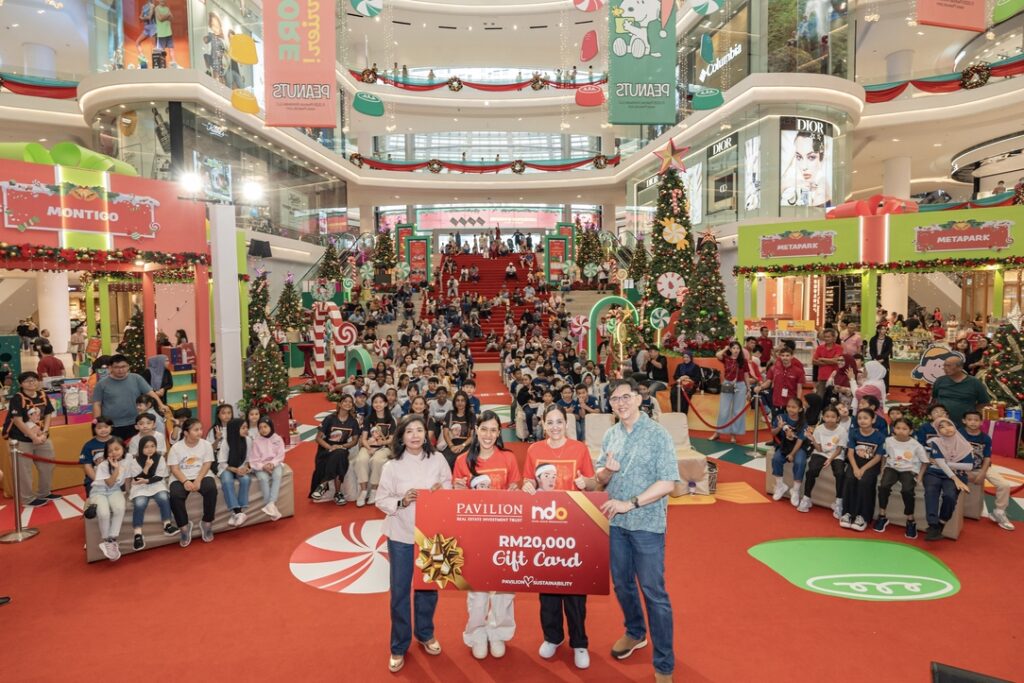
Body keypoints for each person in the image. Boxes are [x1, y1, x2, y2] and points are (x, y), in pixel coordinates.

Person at [581, 378, 679, 683]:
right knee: (622, 585)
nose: (620, 403)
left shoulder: (658, 435)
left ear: (638, 398)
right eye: (614, 399)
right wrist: (607, 472)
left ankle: (664, 664)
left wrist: (630, 503)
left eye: (625, 397)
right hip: (615, 525)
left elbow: (668, 482)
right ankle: (635, 632)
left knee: (654, 592)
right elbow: (600, 480)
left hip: (647, 525)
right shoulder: (611, 435)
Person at [375, 415, 451, 673]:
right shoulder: (392, 466)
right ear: (401, 436)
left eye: (420, 430)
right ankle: (398, 645)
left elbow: (450, 486)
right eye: (409, 431)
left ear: (426, 434)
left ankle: (425, 633)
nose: (415, 435)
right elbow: (381, 499)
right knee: (399, 591)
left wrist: (443, 490)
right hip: (401, 535)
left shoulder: (438, 459)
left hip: (432, 536)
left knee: (428, 588)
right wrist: (402, 501)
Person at [521, 405, 594, 669]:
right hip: (544, 530)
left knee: (575, 592)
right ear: (543, 424)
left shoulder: (579, 449)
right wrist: (527, 485)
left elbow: (593, 483)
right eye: (550, 422)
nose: (554, 427)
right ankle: (552, 637)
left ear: (566, 423)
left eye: (559, 422)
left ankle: (579, 642)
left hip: (574, 529)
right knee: (548, 590)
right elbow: (528, 481)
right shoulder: (534, 450)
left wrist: (587, 483)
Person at [452, 411, 521, 660]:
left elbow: (516, 489)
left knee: (504, 589)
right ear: (476, 431)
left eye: (493, 430)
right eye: (484, 429)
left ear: (499, 432)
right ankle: (476, 633)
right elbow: (455, 501)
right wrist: (457, 490)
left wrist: (515, 491)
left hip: (504, 534)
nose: (488, 435)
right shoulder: (462, 461)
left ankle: (499, 631)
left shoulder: (508, 458)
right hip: (475, 535)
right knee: (477, 590)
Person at [3, 371, 57, 507]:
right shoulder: (17, 398)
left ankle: (44, 492)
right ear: (21, 384)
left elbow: (48, 414)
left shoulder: (42, 395)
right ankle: (27, 499)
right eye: (27, 381)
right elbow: (17, 421)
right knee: (24, 470)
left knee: (48, 465)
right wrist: (33, 437)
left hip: (42, 436)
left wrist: (45, 432)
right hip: (21, 439)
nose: (31, 383)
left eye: (34, 380)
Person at [872, 417, 929, 538]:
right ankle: (882, 516)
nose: (901, 431)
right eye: (898, 428)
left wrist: (920, 476)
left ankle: (910, 520)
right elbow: (884, 456)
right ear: (893, 429)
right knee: (883, 486)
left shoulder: (916, 445)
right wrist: (882, 469)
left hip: (909, 469)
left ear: (911, 431)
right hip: (892, 467)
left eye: (904, 429)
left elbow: (925, 462)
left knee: (907, 490)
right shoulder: (888, 441)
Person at [167, 417, 218, 547]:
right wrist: (185, 482)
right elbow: (174, 469)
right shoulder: (176, 447)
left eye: (200, 429)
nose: (200, 432)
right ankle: (184, 527)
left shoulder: (206, 445)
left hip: (201, 475)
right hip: (181, 477)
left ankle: (207, 523)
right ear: (186, 433)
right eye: (196, 430)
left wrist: (198, 480)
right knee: (175, 495)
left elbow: (207, 464)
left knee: (211, 489)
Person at [960, 411, 1015, 531]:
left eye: (976, 420)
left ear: (981, 422)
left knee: (1004, 485)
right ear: (964, 421)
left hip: (982, 467)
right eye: (969, 419)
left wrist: (983, 473)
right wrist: (964, 471)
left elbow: (987, 458)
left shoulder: (985, 438)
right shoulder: (958, 434)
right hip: (963, 468)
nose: (973, 422)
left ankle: (999, 512)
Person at [92, 354, 166, 440]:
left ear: (128, 366)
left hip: (135, 423)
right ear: (110, 368)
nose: (120, 370)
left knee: (135, 446)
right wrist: (98, 422)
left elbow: (150, 392)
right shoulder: (101, 384)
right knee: (115, 448)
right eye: (116, 367)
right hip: (112, 425)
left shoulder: (136, 378)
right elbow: (97, 404)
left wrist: (161, 405)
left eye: (123, 366)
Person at [922, 416, 973, 541]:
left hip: (957, 475)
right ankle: (933, 526)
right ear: (938, 431)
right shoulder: (936, 442)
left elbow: (968, 466)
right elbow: (940, 463)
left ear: (954, 426)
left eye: (949, 425)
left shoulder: (964, 444)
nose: (947, 429)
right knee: (931, 491)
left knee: (950, 496)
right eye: (941, 427)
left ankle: (942, 522)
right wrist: (947, 467)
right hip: (934, 473)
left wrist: (946, 464)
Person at [126, 434, 177, 549]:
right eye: (146, 447)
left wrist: (147, 480)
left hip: (156, 484)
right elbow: (137, 479)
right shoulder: (134, 461)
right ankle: (138, 533)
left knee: (164, 497)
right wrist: (146, 467)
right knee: (140, 503)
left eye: (152, 446)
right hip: (140, 487)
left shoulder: (160, 458)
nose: (150, 449)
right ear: (140, 448)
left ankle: (167, 525)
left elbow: (159, 476)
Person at [840, 408, 886, 532]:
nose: (862, 421)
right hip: (855, 463)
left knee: (864, 482)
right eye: (860, 418)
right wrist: (855, 468)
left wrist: (863, 469)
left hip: (871, 465)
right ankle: (847, 513)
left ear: (873, 420)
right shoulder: (854, 433)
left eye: (866, 418)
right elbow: (850, 453)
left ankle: (862, 517)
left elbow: (878, 457)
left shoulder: (880, 437)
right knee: (849, 478)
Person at [311, 395, 361, 505]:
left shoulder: (353, 422)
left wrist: (343, 446)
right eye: (345, 401)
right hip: (326, 448)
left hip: (342, 448)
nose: (348, 403)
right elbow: (318, 438)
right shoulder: (330, 419)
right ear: (339, 403)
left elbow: (355, 441)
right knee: (340, 458)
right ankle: (338, 493)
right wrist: (330, 447)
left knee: (340, 455)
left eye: (350, 402)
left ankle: (324, 484)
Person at [802, 404, 848, 515]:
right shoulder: (819, 429)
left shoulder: (842, 431)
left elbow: (839, 449)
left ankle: (838, 502)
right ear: (823, 417)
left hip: (836, 455)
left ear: (838, 418)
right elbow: (819, 449)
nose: (830, 419)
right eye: (827, 416)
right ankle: (806, 498)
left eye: (833, 417)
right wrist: (813, 440)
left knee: (840, 473)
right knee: (811, 470)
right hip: (820, 453)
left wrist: (830, 459)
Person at [89, 438, 129, 561]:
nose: (114, 452)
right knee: (104, 513)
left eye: (117, 449)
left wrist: (129, 493)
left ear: (123, 449)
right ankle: (106, 540)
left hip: (115, 490)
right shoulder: (103, 465)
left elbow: (127, 479)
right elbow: (110, 483)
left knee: (119, 508)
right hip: (99, 491)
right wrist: (116, 469)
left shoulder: (127, 461)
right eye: (110, 451)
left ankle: (112, 539)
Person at [353, 393, 396, 506]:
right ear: (372, 404)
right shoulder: (368, 418)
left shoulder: (390, 420)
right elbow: (364, 438)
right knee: (361, 460)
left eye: (381, 402)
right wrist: (368, 448)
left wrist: (383, 442)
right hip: (368, 446)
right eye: (375, 402)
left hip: (383, 448)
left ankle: (373, 490)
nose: (378, 404)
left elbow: (391, 439)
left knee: (377, 461)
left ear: (385, 404)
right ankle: (363, 491)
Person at [770, 397, 808, 507]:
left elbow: (800, 441)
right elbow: (773, 433)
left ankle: (795, 490)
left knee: (800, 462)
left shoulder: (803, 423)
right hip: (785, 445)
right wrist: (779, 427)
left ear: (800, 409)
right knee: (776, 459)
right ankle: (780, 485)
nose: (790, 409)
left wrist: (792, 454)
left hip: (799, 447)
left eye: (794, 407)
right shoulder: (781, 417)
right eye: (788, 406)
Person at [930, 355, 991, 424]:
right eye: (944, 366)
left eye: (948, 366)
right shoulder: (940, 381)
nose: (945, 368)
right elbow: (934, 399)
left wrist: (974, 418)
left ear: (960, 367)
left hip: (966, 425)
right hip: (942, 423)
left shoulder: (975, 382)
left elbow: (984, 403)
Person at [712, 342, 750, 443]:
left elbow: (746, 375)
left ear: (740, 350)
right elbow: (717, 355)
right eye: (733, 348)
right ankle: (718, 432)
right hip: (727, 384)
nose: (736, 350)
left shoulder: (743, 361)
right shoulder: (726, 358)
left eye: (738, 348)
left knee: (738, 411)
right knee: (723, 410)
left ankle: (733, 435)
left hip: (740, 386)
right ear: (730, 349)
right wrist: (725, 349)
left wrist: (748, 389)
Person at [249, 416, 286, 521]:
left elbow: (280, 455)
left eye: (265, 427)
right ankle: (270, 505)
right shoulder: (256, 441)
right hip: (260, 465)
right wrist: (263, 466)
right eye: (260, 427)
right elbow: (254, 459)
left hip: (275, 464)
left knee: (277, 475)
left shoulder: (277, 438)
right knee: (263, 478)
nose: (263, 430)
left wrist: (272, 464)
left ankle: (271, 503)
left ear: (271, 427)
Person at [218, 417, 252, 527]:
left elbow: (248, 459)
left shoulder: (248, 440)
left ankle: (238, 513)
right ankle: (238, 512)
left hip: (240, 467)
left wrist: (245, 468)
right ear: (235, 429)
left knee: (246, 479)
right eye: (243, 428)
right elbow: (222, 463)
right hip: (227, 468)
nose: (246, 430)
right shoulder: (226, 442)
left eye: (246, 427)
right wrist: (236, 470)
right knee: (227, 481)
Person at [79, 416, 114, 499]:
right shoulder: (88, 446)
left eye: (106, 427)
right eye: (99, 428)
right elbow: (87, 466)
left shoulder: (117, 441)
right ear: (94, 429)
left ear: (111, 427)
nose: (103, 430)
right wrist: (98, 480)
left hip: (114, 478)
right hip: (94, 479)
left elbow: (123, 462)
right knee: (95, 502)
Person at [441, 390, 474, 469]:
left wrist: (462, 445)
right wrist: (451, 446)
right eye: (457, 400)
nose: (460, 403)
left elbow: (472, 436)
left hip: (466, 445)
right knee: (445, 461)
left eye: (462, 400)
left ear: (466, 402)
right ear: (454, 402)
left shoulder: (471, 415)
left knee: (465, 461)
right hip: (452, 444)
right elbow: (445, 433)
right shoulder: (450, 414)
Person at [812, 328, 843, 396]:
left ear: (834, 337)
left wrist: (822, 359)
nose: (826, 338)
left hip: (834, 377)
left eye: (828, 337)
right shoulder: (820, 348)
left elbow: (836, 361)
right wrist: (830, 361)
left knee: (833, 397)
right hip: (822, 377)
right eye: (825, 337)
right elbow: (814, 361)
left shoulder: (839, 348)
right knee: (820, 396)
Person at [868, 325, 893, 390]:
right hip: (875, 359)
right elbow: (871, 350)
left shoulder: (889, 339)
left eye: (885, 329)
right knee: (875, 375)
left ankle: (886, 391)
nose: (884, 330)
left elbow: (889, 351)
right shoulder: (873, 339)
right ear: (878, 330)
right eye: (882, 329)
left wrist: (883, 359)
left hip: (884, 360)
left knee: (885, 376)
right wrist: (874, 358)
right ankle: (874, 389)